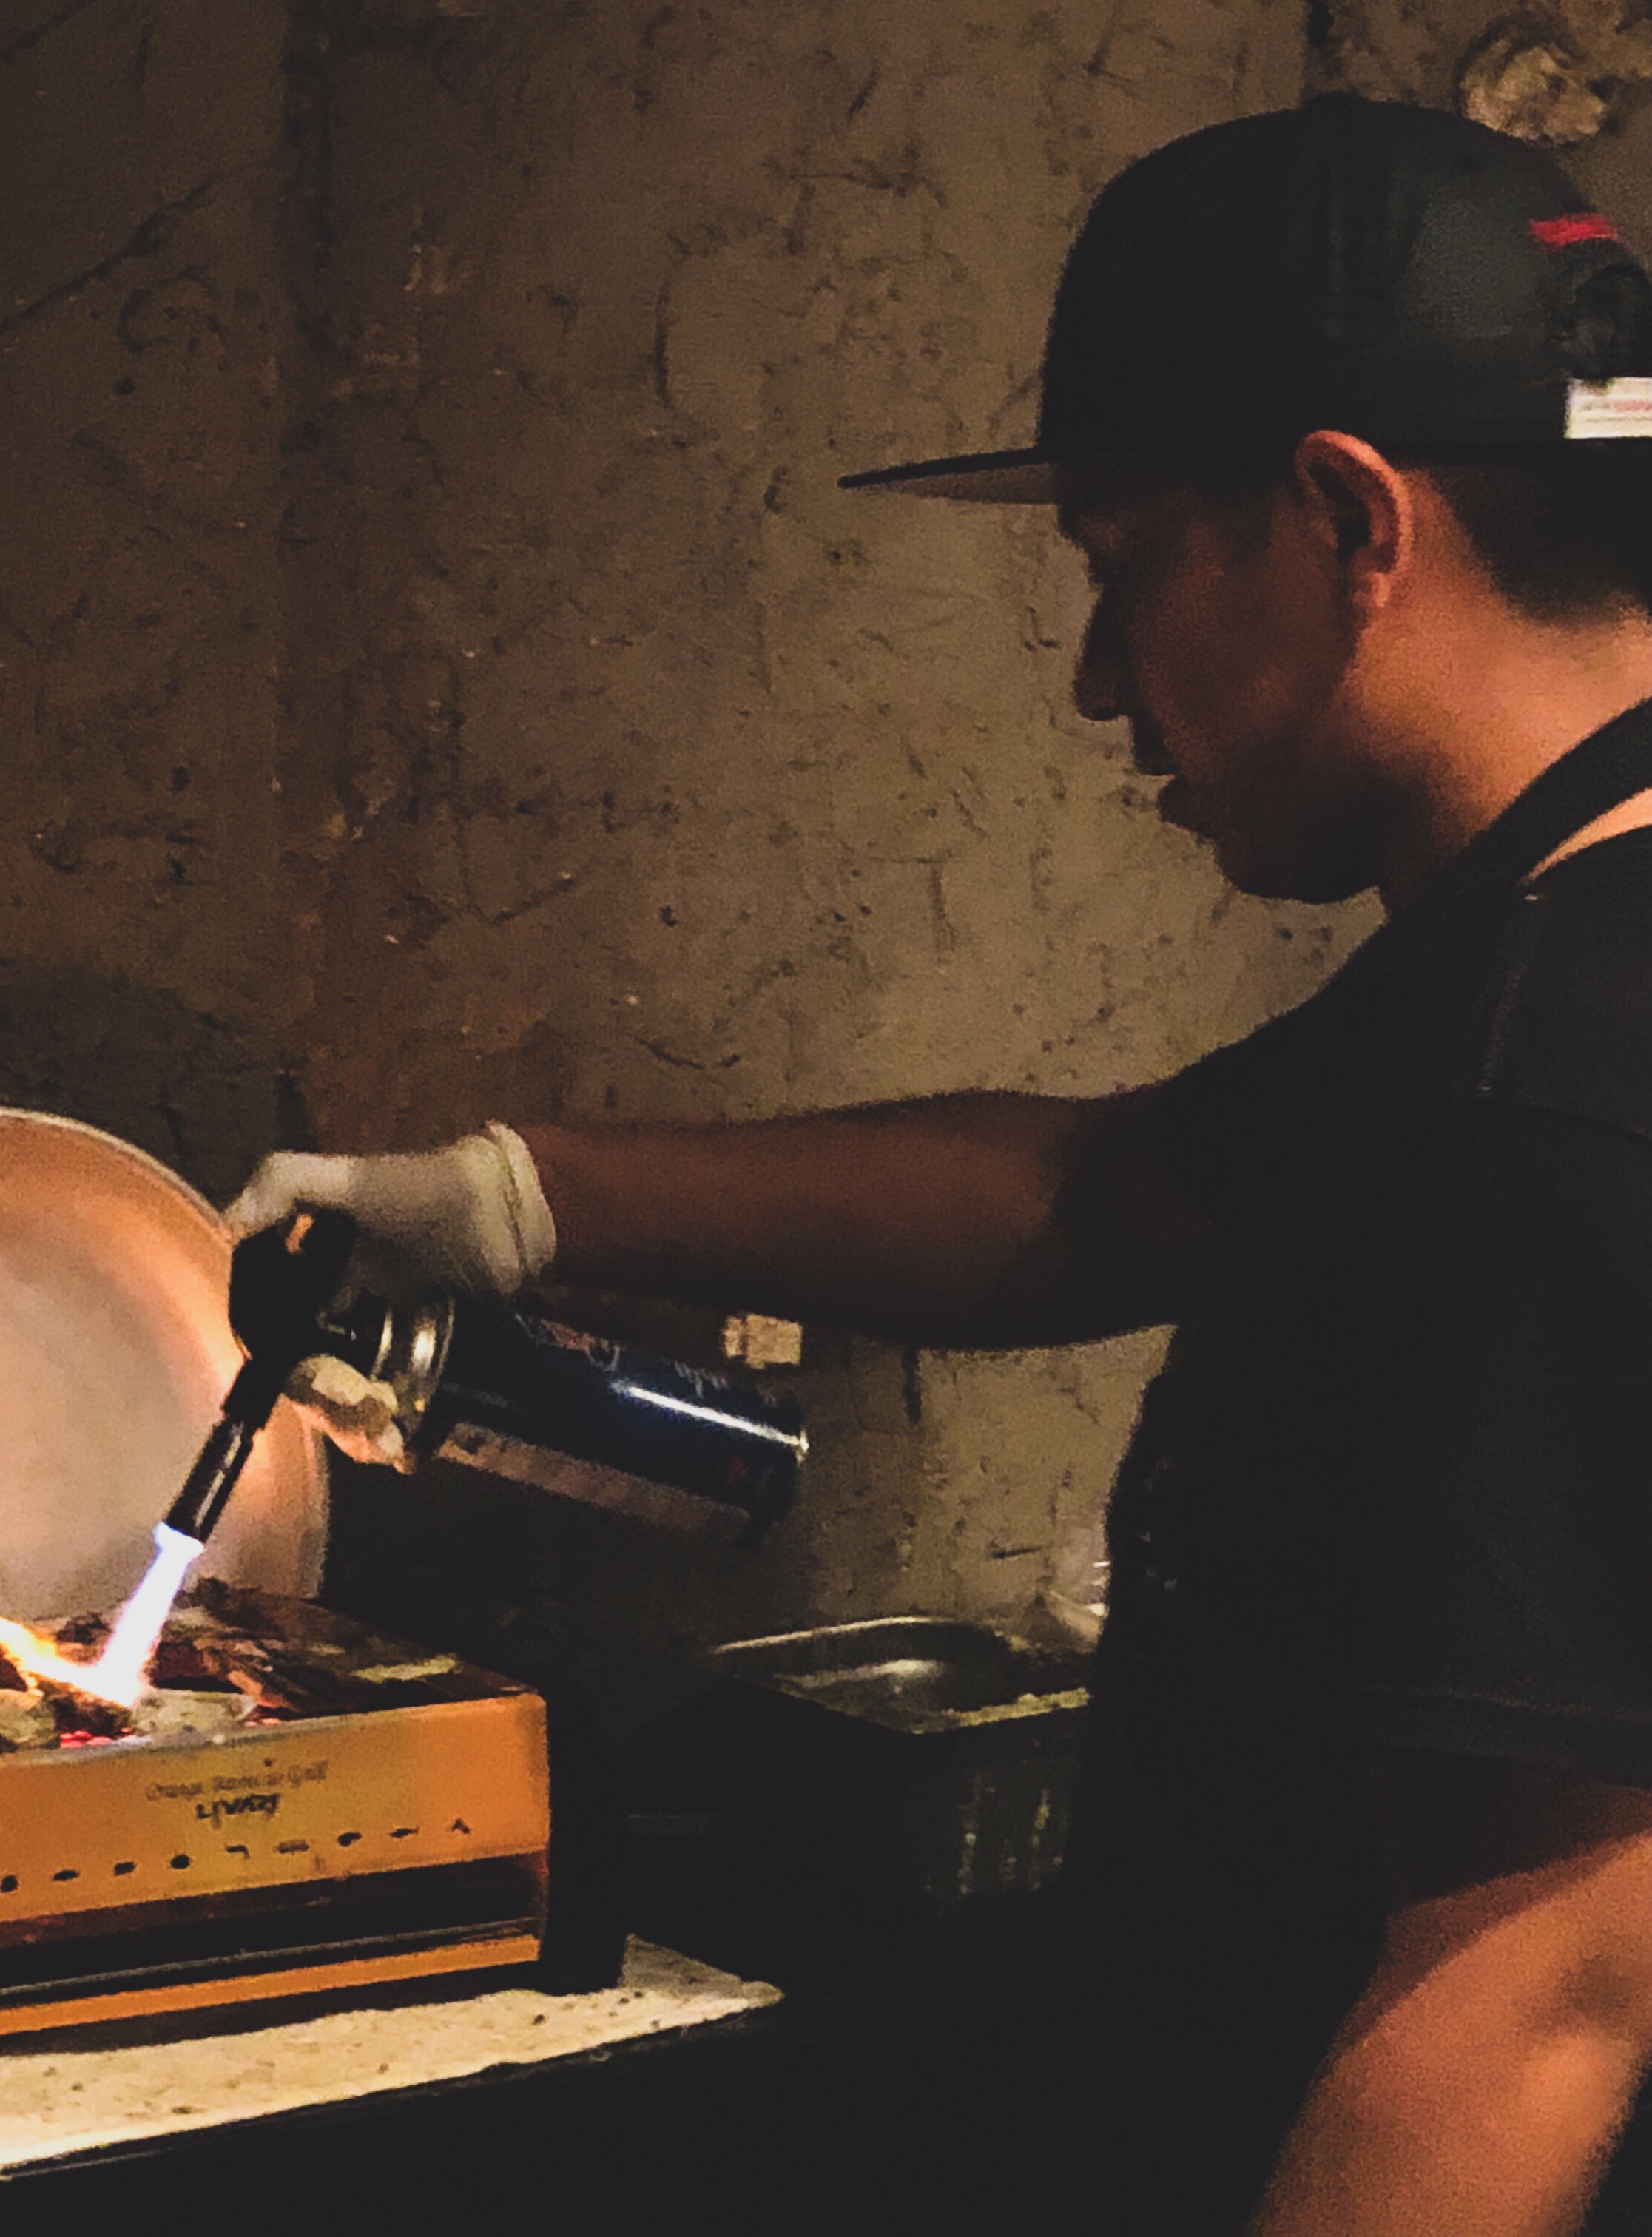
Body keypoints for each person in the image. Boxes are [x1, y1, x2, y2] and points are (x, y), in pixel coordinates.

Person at [226, 97, 1652, 2237]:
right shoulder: (1540, 946)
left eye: (1123, 564)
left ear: (1351, 519)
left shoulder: (1554, 1068)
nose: (1096, 683)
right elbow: (1100, 1200)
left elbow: (1541, 1982)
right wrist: (517, 1192)